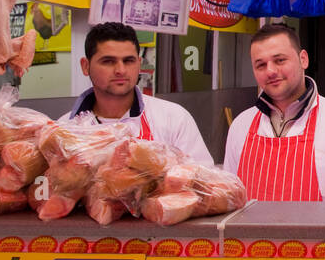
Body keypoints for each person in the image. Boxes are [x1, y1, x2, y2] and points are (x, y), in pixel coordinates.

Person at [224, 23, 325, 201]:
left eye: (280, 60)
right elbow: (230, 199)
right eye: (261, 65)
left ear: (303, 59)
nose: (271, 71)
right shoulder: (240, 126)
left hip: (321, 230)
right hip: (249, 230)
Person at [63, 21, 214, 165]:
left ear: (139, 64)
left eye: (129, 61)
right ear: (85, 66)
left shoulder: (173, 119)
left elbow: (206, 182)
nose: (120, 70)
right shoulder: (66, 130)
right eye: (108, 61)